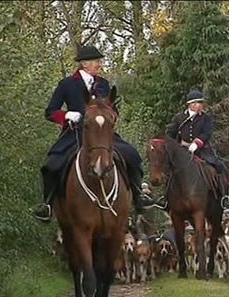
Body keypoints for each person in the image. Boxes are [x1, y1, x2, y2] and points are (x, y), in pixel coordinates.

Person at [32, 45, 149, 222]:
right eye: (96, 61)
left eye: (99, 61)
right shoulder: (67, 84)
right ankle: (47, 204)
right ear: (84, 64)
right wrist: (67, 115)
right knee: (51, 165)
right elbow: (50, 111)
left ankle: (138, 197)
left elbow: (113, 109)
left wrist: (110, 117)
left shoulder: (103, 84)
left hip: (102, 134)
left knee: (132, 155)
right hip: (75, 133)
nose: (99, 64)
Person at [165, 89, 229, 210]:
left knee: (218, 167)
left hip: (202, 150)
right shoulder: (180, 118)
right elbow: (170, 133)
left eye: (200, 103)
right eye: (195, 103)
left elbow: (207, 133)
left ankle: (224, 197)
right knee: (169, 168)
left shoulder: (206, 118)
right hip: (182, 150)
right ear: (189, 104)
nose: (198, 105)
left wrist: (197, 143)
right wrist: (174, 146)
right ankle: (165, 198)